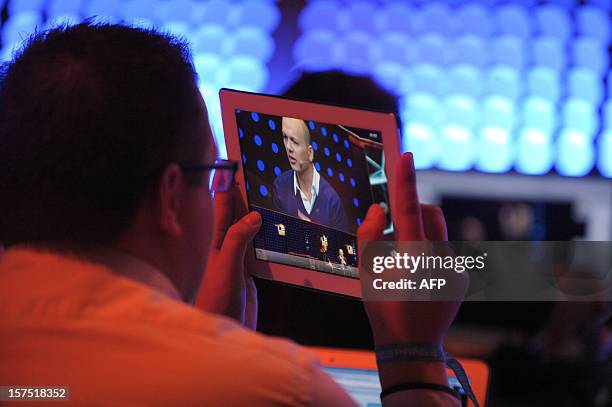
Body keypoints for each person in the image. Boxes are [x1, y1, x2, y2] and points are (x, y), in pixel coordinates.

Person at [0, 23, 463, 406]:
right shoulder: (276, 389)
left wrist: (209, 334)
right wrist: (415, 364)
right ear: (171, 195)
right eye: (214, 173)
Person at [273, 117, 349, 232]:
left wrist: (313, 230)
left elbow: (344, 245)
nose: (288, 147)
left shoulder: (332, 200)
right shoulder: (280, 185)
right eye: (285, 137)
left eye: (295, 142)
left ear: (310, 153)